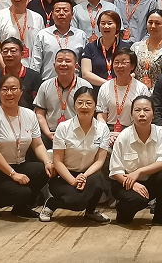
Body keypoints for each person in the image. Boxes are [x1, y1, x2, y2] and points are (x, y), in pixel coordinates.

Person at [0, 74, 53, 218]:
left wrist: (48, 162)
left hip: (19, 163)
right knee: (22, 193)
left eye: (13, 89)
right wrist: (13, 174)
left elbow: (37, 144)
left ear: (21, 91)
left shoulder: (29, 114)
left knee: (44, 170)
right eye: (5, 89)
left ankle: (21, 208)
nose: (9, 93)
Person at [40, 87, 111, 223]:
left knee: (98, 180)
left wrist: (84, 176)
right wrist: (73, 181)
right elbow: (58, 161)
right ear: (74, 105)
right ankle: (51, 204)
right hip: (64, 176)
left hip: (88, 175)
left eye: (89, 103)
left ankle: (90, 211)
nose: (84, 106)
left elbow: (99, 161)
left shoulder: (103, 129)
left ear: (95, 106)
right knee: (77, 203)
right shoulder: (63, 127)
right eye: (80, 102)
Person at [110, 95, 162, 225]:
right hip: (126, 184)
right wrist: (133, 184)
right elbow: (115, 171)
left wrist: (139, 172)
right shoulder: (123, 137)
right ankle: (122, 211)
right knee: (137, 202)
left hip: (150, 181)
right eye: (137, 110)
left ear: (153, 114)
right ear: (131, 114)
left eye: (146, 110)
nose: (142, 114)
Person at [33, 49, 93, 149]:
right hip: (50, 133)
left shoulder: (85, 86)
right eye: (59, 61)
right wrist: (48, 134)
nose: (63, 64)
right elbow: (39, 113)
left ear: (76, 66)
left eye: (68, 61)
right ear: (54, 65)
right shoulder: (45, 86)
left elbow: (89, 113)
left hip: (76, 133)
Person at [97, 48, 150, 142]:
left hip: (133, 132)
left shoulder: (141, 88)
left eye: (124, 62)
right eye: (116, 62)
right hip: (109, 133)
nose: (119, 66)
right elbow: (101, 115)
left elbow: (144, 116)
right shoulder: (105, 87)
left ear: (132, 66)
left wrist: (125, 134)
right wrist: (107, 134)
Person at [31, 0, 87, 80]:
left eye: (65, 10)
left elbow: (85, 64)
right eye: (57, 10)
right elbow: (36, 63)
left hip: (75, 84)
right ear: (53, 15)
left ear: (72, 15)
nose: (61, 13)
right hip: (48, 83)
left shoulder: (81, 36)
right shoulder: (43, 35)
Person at [0, 37, 42, 111]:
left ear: (22, 54)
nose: (9, 54)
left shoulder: (34, 77)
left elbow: (38, 106)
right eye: (5, 51)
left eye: (13, 51)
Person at [81, 10, 131, 95]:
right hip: (96, 92)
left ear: (117, 26)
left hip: (122, 91)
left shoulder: (126, 47)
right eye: (103, 23)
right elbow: (86, 74)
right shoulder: (90, 47)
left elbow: (133, 72)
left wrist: (117, 84)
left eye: (110, 23)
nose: (106, 26)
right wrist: (108, 84)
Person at [131, 10, 162, 90]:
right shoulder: (136, 47)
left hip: (158, 93)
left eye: (158, 23)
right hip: (135, 92)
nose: (153, 26)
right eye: (150, 22)